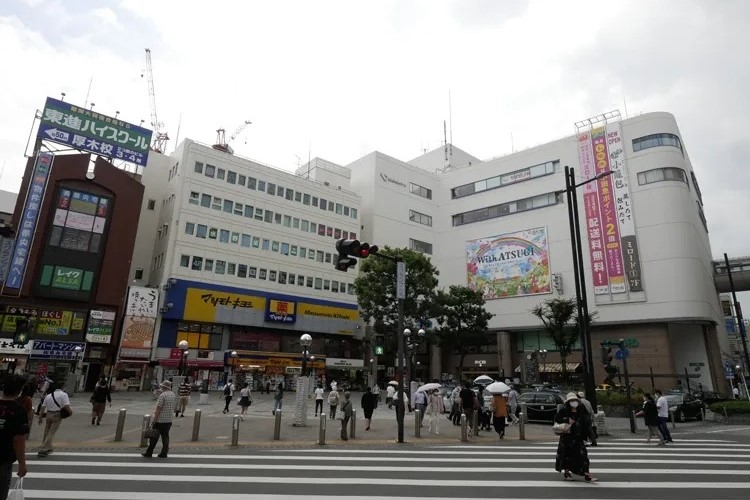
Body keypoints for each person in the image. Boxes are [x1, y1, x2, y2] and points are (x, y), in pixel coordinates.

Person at [554, 392, 596, 482]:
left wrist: (589, 434)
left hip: (578, 437)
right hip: (567, 436)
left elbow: (587, 420)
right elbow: (557, 419)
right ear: (568, 402)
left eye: (575, 400)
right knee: (566, 455)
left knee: (583, 455)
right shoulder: (564, 410)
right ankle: (567, 472)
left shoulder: (581, 409)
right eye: (572, 400)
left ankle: (586, 474)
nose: (574, 402)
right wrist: (567, 420)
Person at [0, 374, 29, 500]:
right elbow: (18, 440)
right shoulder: (19, 411)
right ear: (19, 391)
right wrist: (22, 464)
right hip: (2, 459)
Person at [37, 382, 72, 458]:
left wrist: (40, 417)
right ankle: (43, 449)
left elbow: (43, 407)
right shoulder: (64, 395)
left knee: (47, 431)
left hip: (48, 414)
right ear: (62, 387)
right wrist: (70, 412)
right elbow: (66, 406)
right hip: (57, 415)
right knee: (52, 432)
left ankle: (48, 447)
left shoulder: (49, 395)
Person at [142, 380, 176, 458]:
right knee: (165, 436)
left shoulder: (162, 395)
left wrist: (154, 419)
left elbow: (158, 408)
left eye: (162, 386)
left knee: (154, 437)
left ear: (164, 387)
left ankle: (149, 452)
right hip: (169, 419)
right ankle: (164, 452)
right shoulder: (173, 395)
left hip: (160, 420)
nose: (161, 387)